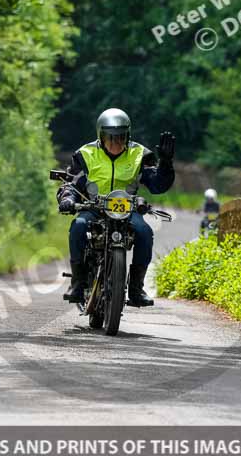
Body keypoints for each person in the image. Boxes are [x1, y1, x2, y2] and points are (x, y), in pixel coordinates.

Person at [57, 108, 175, 307]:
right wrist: (67, 199)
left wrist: (165, 163)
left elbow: (157, 185)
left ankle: (137, 289)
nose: (115, 143)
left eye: (120, 138)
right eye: (110, 138)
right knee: (78, 225)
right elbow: (71, 183)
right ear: (100, 136)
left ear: (128, 136)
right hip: (93, 207)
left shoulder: (140, 155)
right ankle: (77, 284)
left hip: (126, 210)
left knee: (145, 232)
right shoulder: (85, 155)